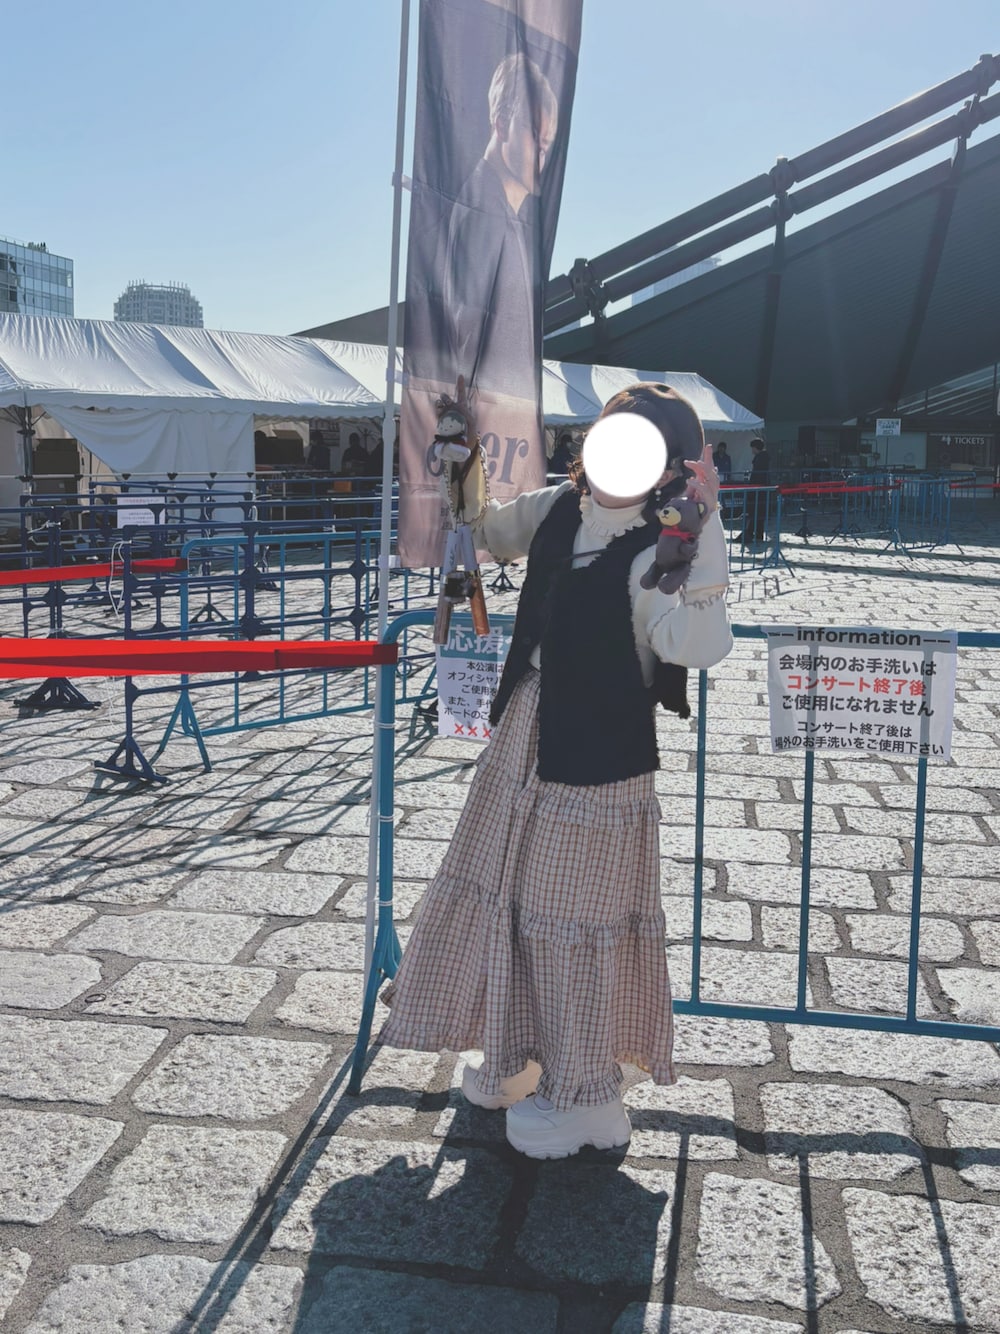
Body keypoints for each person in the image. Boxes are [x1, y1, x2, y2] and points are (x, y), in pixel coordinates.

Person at [379, 383, 733, 1159]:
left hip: (600, 753)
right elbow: (482, 527)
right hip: (526, 728)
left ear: (671, 465)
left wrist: (707, 542)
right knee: (505, 894)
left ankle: (585, 1095)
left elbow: (698, 646)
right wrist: (463, 457)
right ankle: (516, 1056)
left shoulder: (667, 541)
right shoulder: (557, 508)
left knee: (569, 920)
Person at [741, 437, 771, 544]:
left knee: (755, 512)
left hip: (758, 488)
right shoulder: (764, 458)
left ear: (755, 447)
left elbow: (756, 475)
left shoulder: (760, 459)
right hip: (761, 488)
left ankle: (751, 532)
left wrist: (751, 487)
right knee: (759, 513)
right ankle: (758, 534)